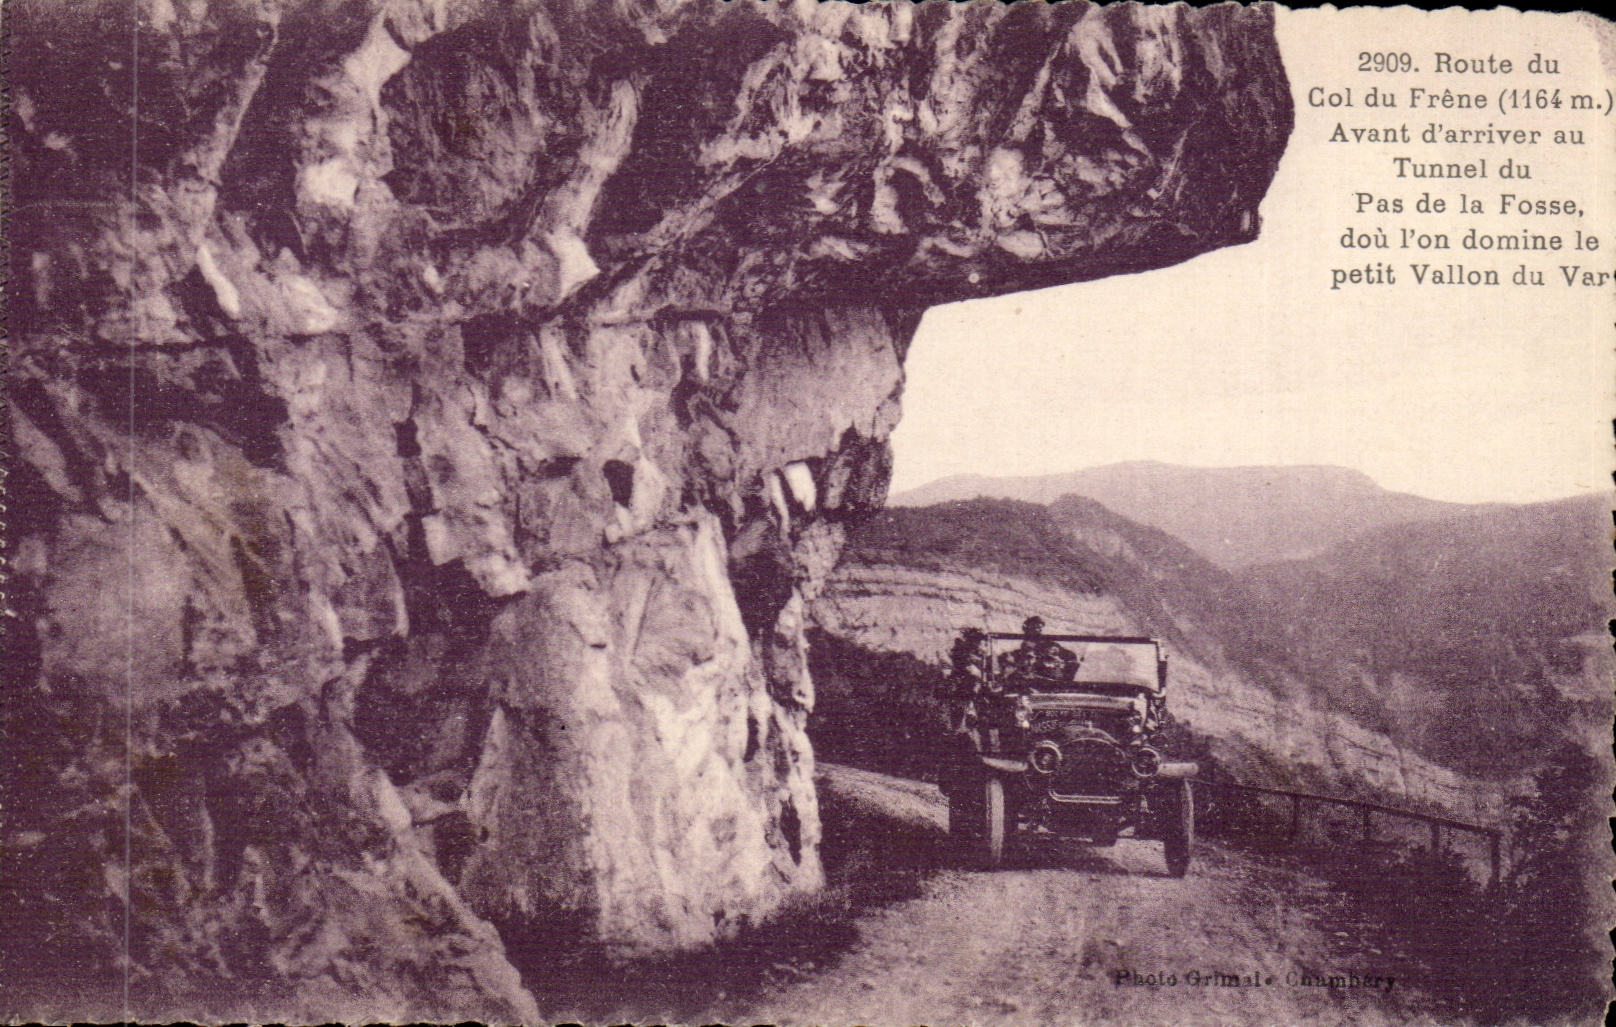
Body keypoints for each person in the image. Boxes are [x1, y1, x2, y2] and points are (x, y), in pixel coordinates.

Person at [1008, 616, 1077, 687]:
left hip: (1050, 679)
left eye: (1039, 628)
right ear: (1027, 629)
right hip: (1033, 679)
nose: (1038, 630)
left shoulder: (1050, 644)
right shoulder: (1022, 649)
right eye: (1034, 627)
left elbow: (1071, 656)